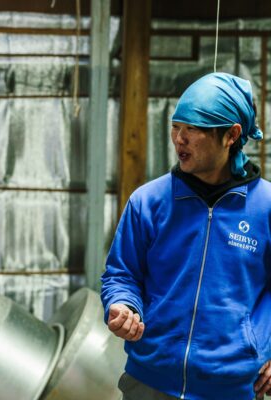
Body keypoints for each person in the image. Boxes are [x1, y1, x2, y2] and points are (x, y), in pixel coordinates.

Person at [101, 72, 271, 400]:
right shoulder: (148, 201)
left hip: (231, 388)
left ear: (231, 135)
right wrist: (122, 304)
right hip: (149, 381)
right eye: (176, 127)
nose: (179, 139)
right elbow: (121, 274)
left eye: (193, 129)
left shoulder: (265, 208)